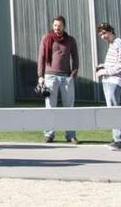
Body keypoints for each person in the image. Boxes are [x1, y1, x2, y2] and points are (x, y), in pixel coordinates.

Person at [37, 15, 80, 144]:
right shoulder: (46, 38)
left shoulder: (71, 40)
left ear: (64, 26)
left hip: (66, 77)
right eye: (55, 25)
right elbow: (41, 58)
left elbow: (75, 58)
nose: (57, 28)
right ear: (53, 26)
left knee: (69, 108)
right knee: (50, 107)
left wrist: (74, 72)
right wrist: (40, 76)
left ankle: (71, 135)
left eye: (59, 26)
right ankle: (49, 134)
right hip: (50, 77)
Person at [95, 22, 121, 150]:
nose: (102, 37)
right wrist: (103, 66)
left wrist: (104, 71)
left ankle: (120, 140)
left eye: (104, 33)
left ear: (111, 31)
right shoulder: (113, 45)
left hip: (115, 81)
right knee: (112, 110)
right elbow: (116, 64)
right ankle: (118, 138)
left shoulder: (118, 43)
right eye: (100, 34)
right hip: (110, 80)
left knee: (114, 110)